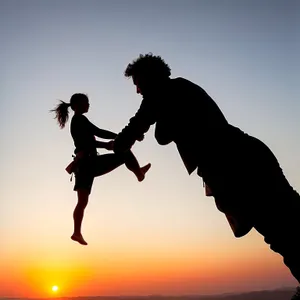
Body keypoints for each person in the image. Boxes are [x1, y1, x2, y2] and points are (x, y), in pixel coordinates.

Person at [112, 53, 300, 299]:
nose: (137, 90)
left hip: (233, 165)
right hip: (249, 152)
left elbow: (140, 127)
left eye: (138, 82)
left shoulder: (161, 93)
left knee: (281, 233)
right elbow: (160, 131)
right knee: (290, 223)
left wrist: (118, 145)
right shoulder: (182, 87)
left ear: (150, 77)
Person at [51, 93, 151, 246]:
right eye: (86, 102)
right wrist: (120, 138)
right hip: (89, 163)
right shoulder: (79, 119)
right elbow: (97, 133)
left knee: (82, 202)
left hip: (82, 166)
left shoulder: (78, 121)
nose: (89, 105)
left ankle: (76, 232)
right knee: (123, 151)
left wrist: (109, 143)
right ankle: (139, 173)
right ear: (77, 105)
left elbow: (90, 140)